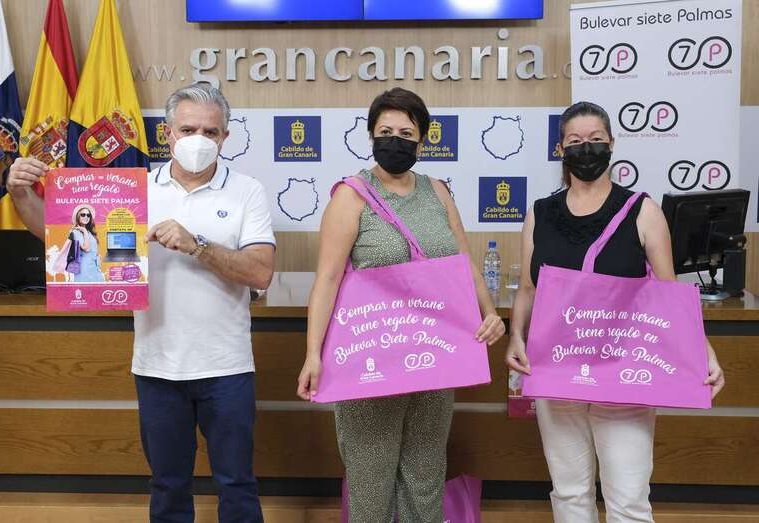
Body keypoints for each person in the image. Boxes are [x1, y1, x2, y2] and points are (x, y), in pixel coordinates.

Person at [6, 83, 276, 523]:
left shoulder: (246, 191)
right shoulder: (132, 190)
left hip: (227, 367)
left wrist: (197, 245)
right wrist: (21, 194)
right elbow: (60, 236)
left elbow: (261, 272)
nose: (199, 140)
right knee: (168, 485)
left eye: (211, 132)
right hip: (156, 367)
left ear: (225, 137)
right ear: (167, 133)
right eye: (188, 128)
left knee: (237, 483)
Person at [505, 101, 725, 523]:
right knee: (569, 492)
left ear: (612, 146)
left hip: (626, 372)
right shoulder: (540, 213)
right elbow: (530, 287)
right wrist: (517, 334)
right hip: (557, 371)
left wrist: (704, 350)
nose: (586, 149)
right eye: (575, 141)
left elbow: (667, 292)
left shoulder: (643, 210)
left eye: (596, 141)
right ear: (560, 149)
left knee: (628, 497)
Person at [297, 87, 506, 522]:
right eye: (385, 131)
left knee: (426, 473)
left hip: (434, 357)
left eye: (406, 132)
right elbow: (328, 280)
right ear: (371, 136)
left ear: (423, 139)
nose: (395, 139)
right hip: (370, 357)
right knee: (371, 481)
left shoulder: (438, 191)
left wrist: (487, 312)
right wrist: (313, 354)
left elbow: (462, 260)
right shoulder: (350, 196)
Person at [69, 204, 104, 282]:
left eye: (88, 215)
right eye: (83, 214)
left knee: (98, 291)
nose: (86, 217)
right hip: (84, 268)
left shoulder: (89, 232)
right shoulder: (75, 232)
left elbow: (93, 248)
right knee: (85, 291)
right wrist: (84, 231)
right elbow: (86, 248)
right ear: (78, 216)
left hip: (94, 266)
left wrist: (97, 256)